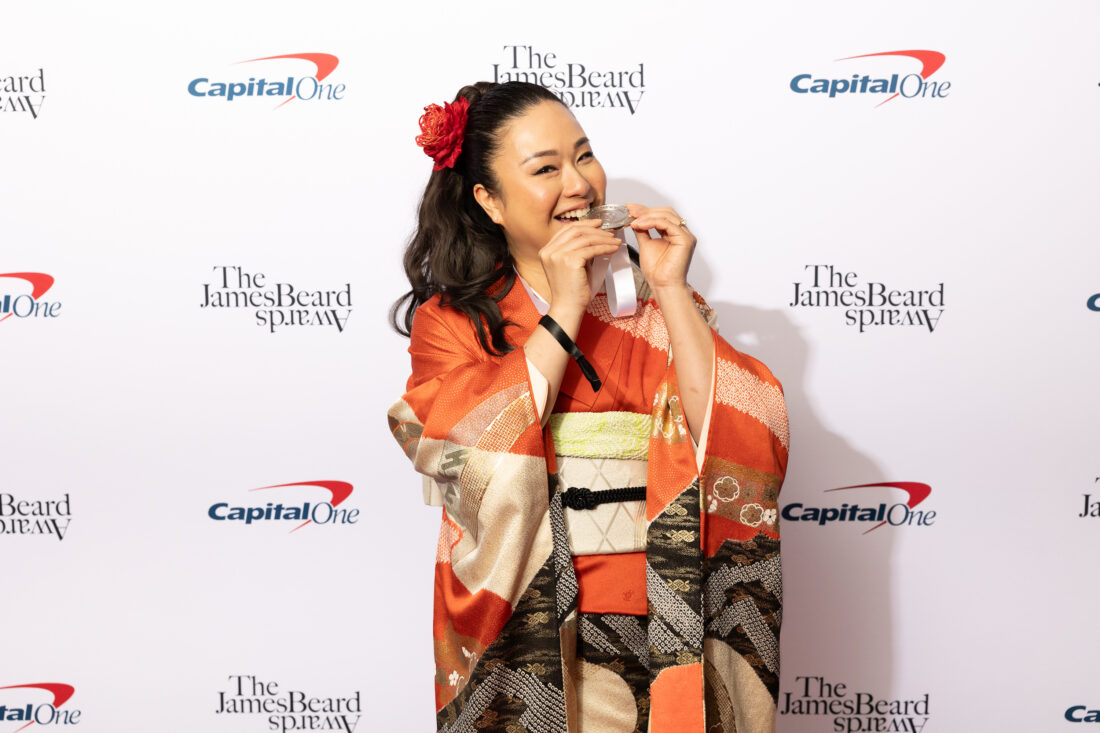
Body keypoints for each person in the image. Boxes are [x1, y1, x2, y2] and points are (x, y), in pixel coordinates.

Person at [388, 81, 789, 733]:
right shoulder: (453, 322)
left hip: (672, 616)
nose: (578, 183)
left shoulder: (653, 308)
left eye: (584, 156)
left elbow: (745, 434)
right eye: (545, 168)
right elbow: (456, 454)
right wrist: (567, 305)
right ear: (488, 199)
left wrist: (671, 288)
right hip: (538, 630)